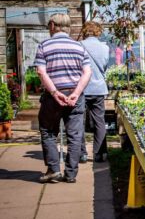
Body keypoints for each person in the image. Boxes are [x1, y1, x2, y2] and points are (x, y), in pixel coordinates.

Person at [34, 13, 92, 183]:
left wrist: (54, 92)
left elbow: (40, 71)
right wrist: (76, 92)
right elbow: (87, 72)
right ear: (68, 27)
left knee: (48, 131)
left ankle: (53, 170)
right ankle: (71, 174)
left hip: (53, 96)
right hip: (75, 95)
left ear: (52, 25)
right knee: (74, 135)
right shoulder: (79, 47)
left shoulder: (44, 45)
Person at [79, 21, 110, 163]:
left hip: (82, 88)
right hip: (98, 88)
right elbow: (104, 66)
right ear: (99, 32)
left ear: (85, 31)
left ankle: (82, 154)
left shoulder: (79, 46)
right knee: (99, 121)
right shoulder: (104, 47)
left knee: (78, 121)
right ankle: (98, 154)